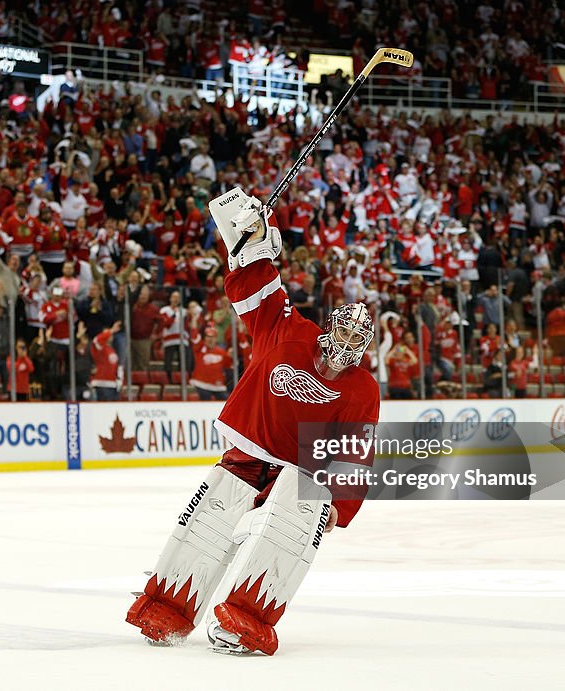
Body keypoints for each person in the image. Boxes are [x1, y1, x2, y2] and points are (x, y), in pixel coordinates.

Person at [127, 188, 380, 656]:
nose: (348, 342)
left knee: (297, 520)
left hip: (301, 470)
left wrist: (334, 506)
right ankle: (169, 607)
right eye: (344, 330)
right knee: (207, 522)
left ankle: (248, 618)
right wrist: (255, 238)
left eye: (358, 338)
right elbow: (258, 287)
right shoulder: (289, 330)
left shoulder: (362, 387)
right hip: (253, 450)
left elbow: (354, 452)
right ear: (330, 326)